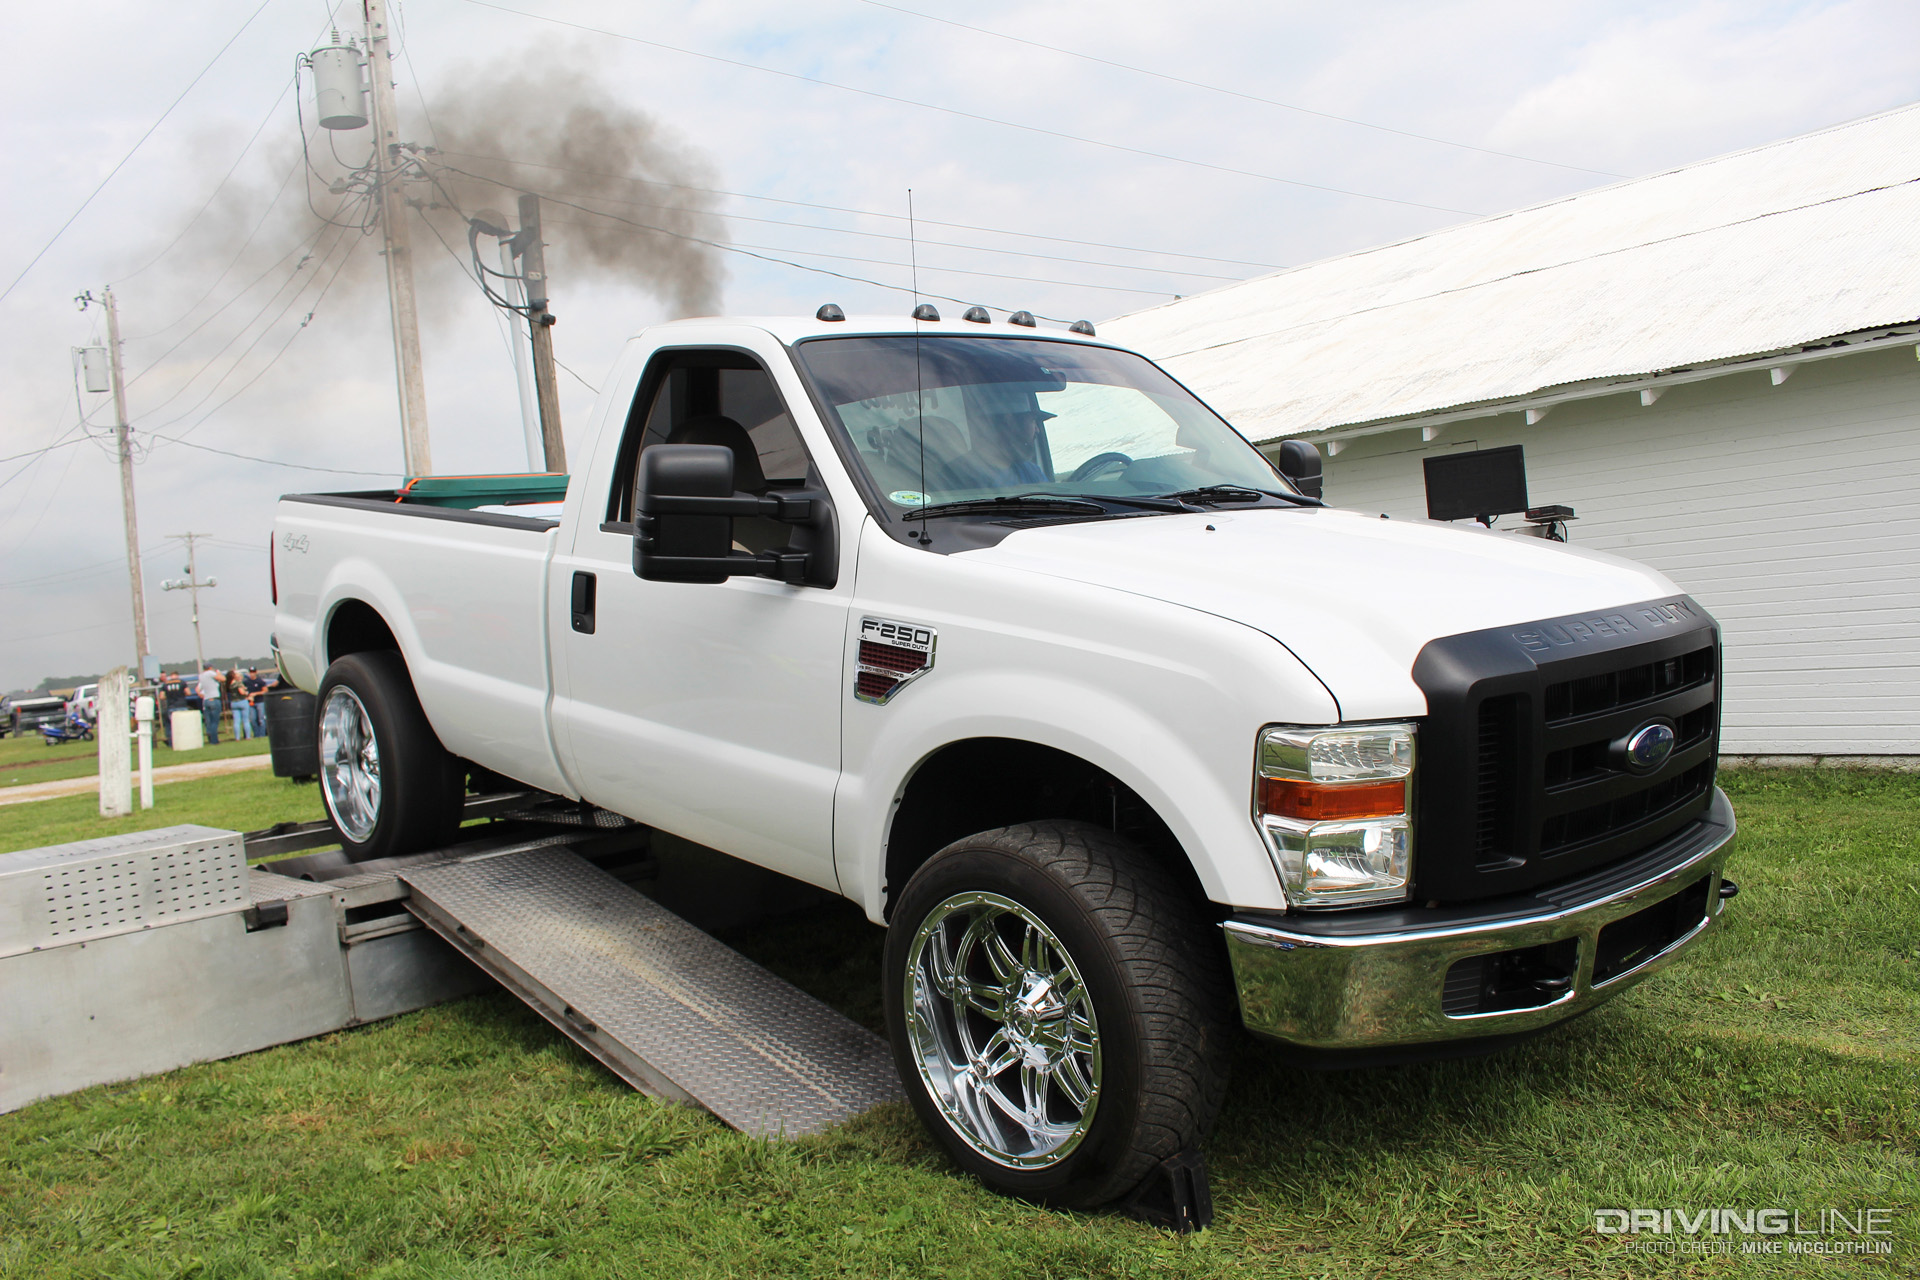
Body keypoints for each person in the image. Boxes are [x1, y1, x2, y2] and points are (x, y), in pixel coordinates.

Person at [196, 666, 222, 744]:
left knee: (208, 722)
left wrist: (201, 695)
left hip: (206, 700)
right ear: (210, 668)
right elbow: (223, 679)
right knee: (214, 721)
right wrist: (218, 673)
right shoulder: (211, 674)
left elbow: (197, 689)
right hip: (213, 698)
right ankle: (214, 740)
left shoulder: (202, 677)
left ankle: (210, 738)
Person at [243, 667, 268, 737]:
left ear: (256, 672)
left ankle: (262, 734)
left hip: (260, 701)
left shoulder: (260, 681)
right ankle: (256, 734)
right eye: (251, 672)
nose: (252, 673)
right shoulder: (246, 682)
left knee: (261, 719)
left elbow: (265, 691)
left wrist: (256, 693)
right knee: (253, 720)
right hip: (251, 702)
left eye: (253, 672)